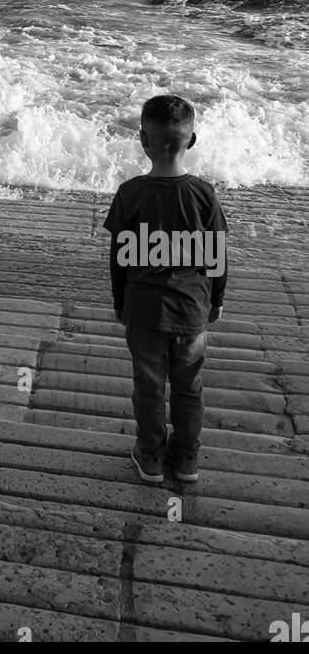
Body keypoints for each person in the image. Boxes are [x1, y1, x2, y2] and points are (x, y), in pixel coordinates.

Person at [104, 94, 227, 485]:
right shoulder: (204, 195)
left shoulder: (130, 193)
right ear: (192, 141)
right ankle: (187, 457)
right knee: (189, 385)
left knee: (149, 386)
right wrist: (216, 302)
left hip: (143, 313)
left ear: (143, 140)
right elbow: (217, 257)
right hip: (191, 311)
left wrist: (120, 302)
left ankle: (152, 455)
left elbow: (119, 258)